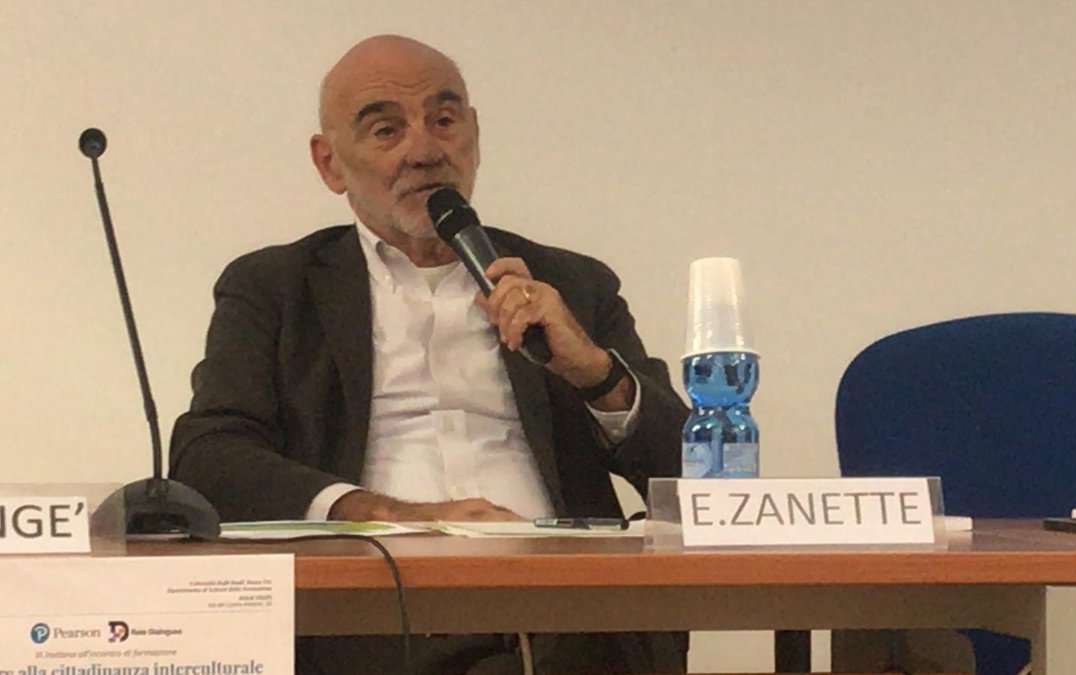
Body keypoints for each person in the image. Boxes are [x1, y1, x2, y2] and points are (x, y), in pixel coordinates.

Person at [169, 34, 687, 674]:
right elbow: (209, 455)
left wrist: (596, 373)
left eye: (444, 121)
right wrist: (388, 517)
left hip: (561, 617)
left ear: (475, 135)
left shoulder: (570, 282)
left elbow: (697, 475)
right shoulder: (275, 287)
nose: (425, 150)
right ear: (330, 164)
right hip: (364, 616)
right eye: (387, 130)